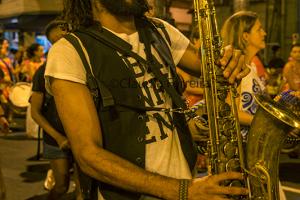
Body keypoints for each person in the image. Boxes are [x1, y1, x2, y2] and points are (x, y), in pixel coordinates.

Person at [45, 0, 250, 199]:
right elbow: (88, 155)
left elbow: (215, 68)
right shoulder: (68, 51)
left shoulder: (160, 30)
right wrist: (182, 190)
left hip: (189, 184)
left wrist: (231, 57)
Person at [221, 11, 287, 200]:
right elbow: (230, 112)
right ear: (245, 36)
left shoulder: (252, 68)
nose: (264, 33)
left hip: (257, 154)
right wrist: (269, 124)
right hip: (243, 155)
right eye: (259, 29)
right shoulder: (237, 68)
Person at [30, 20, 82, 200]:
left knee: (83, 190)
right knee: (61, 187)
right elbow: (35, 112)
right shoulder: (43, 72)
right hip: (56, 139)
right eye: (56, 42)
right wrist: (59, 138)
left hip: (83, 139)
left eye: (66, 36)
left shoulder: (84, 66)